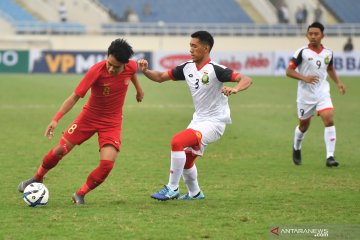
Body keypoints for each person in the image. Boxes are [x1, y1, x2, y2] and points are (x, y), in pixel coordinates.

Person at [18, 39, 144, 204]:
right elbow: (74, 97)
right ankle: (37, 177)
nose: (111, 69)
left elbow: (132, 72)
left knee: (107, 165)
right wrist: (56, 119)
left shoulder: (131, 66)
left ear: (125, 64)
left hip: (112, 123)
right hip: (89, 118)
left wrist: (139, 89)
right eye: (109, 64)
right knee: (59, 151)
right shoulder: (96, 71)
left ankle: (80, 194)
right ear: (107, 57)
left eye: (116, 67)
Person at [138, 31, 252, 201]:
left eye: (194, 46)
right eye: (190, 45)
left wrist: (235, 89)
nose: (190, 49)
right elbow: (161, 77)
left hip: (214, 122)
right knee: (187, 159)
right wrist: (145, 71)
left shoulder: (216, 69)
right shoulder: (187, 67)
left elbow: (245, 79)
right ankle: (195, 193)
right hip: (198, 120)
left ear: (206, 48)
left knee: (177, 141)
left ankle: (172, 188)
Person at [286, 22, 346, 167]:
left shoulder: (328, 53)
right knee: (304, 126)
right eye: (310, 34)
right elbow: (289, 71)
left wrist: (338, 82)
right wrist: (304, 78)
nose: (313, 36)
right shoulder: (302, 52)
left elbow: (330, 68)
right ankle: (297, 147)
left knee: (329, 119)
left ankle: (330, 157)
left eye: (316, 34)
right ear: (307, 35)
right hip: (305, 95)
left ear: (322, 36)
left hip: (322, 92)